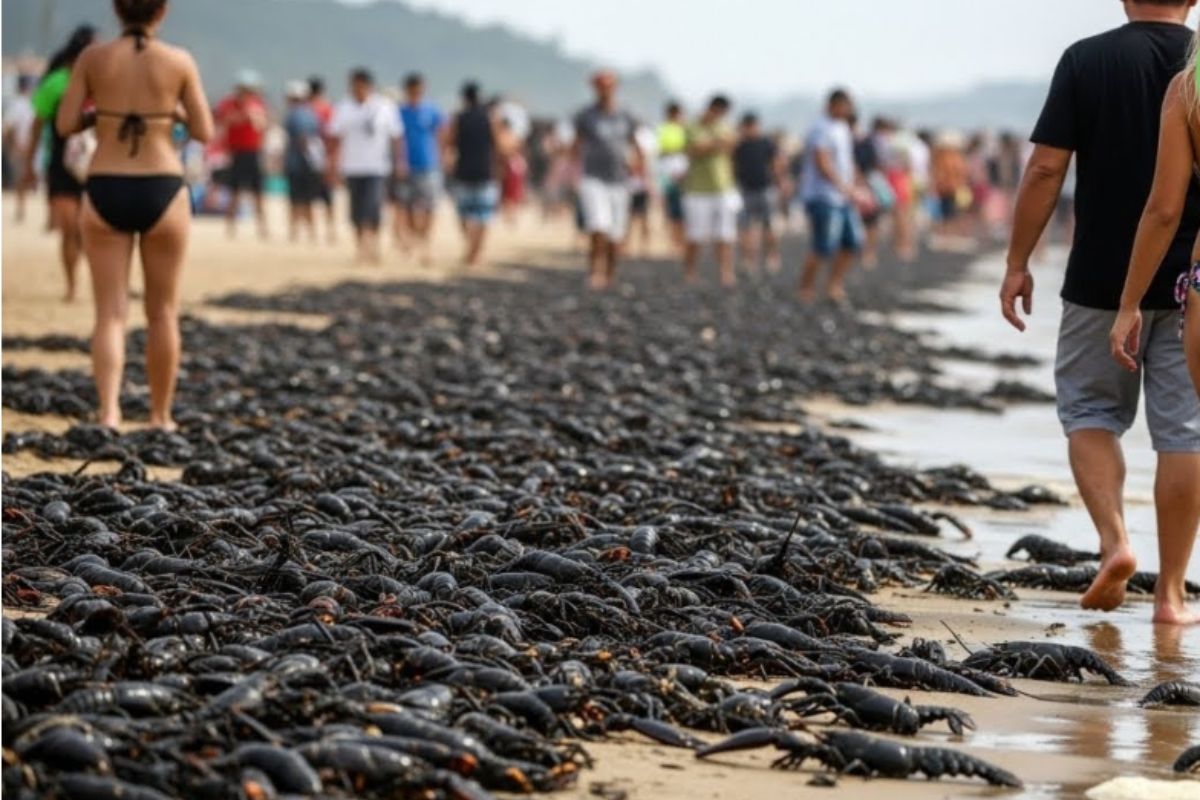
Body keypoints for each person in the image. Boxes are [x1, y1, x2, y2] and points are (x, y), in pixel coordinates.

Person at [1003, 0, 1200, 625]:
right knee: (1186, 431)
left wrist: (1017, 261)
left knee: (1090, 412)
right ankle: (1171, 593)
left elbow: (1044, 169)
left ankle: (1115, 541)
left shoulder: (1086, 60)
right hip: (1192, 284)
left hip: (1100, 276)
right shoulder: (1196, 68)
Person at [55, 0, 212, 430]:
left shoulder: (93, 57)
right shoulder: (179, 60)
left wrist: (102, 116)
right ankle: (160, 416)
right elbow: (204, 131)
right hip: (162, 186)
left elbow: (65, 122)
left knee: (110, 312)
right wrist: (170, 111)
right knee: (162, 312)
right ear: (162, 11)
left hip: (106, 183)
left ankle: (109, 411)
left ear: (117, 10)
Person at [26, 25, 96, 302]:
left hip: (94, 163)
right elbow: (36, 123)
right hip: (60, 163)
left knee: (86, 230)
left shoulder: (101, 81)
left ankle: (94, 284)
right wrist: (30, 163)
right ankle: (72, 286)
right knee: (70, 229)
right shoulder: (56, 83)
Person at [573, 71, 642, 290]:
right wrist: (571, 172)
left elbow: (636, 144)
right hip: (593, 178)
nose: (604, 90)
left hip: (619, 180)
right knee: (598, 225)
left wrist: (639, 166)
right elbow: (577, 145)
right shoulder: (586, 115)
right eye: (600, 86)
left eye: (608, 86)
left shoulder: (626, 114)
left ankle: (610, 274)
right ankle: (594, 272)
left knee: (615, 233)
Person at [327, 68, 403, 265]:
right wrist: (332, 164)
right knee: (356, 211)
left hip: (377, 167)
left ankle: (374, 245)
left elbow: (397, 137)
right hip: (352, 167)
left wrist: (400, 162)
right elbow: (334, 137)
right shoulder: (343, 107)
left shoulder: (384, 107)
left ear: (368, 86)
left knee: (374, 207)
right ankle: (361, 247)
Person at [798, 88, 863, 304]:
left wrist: (856, 184)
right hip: (823, 196)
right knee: (823, 245)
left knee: (851, 242)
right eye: (845, 105)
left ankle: (834, 286)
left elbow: (847, 161)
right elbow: (822, 162)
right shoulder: (821, 128)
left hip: (843, 197)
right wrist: (843, 186)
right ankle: (805, 288)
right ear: (833, 105)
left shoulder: (843, 127)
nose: (848, 110)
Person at [444, 81, 501, 266]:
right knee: (483, 215)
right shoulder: (490, 118)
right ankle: (476, 251)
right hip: (485, 170)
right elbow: (499, 145)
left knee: (464, 214)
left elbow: (449, 142)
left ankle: (471, 246)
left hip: (464, 171)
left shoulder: (459, 118)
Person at [396, 72, 445, 265]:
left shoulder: (432, 111)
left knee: (430, 206)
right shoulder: (399, 112)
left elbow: (442, 133)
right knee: (406, 207)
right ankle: (415, 238)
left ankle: (425, 241)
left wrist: (442, 155)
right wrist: (399, 161)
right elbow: (397, 139)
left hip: (429, 164)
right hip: (407, 166)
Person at [215, 71, 269, 239]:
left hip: (253, 152)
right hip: (236, 152)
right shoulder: (228, 104)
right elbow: (223, 123)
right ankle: (230, 227)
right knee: (235, 191)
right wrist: (242, 116)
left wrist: (254, 117)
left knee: (258, 192)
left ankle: (262, 227)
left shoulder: (258, 104)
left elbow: (262, 126)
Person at [733, 112, 781, 272]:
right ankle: (748, 260)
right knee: (744, 227)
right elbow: (733, 165)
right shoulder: (739, 145)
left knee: (769, 226)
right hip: (745, 190)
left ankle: (772, 257)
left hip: (765, 188)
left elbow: (775, 164)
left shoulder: (766, 143)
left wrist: (780, 182)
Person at [282, 80, 322, 244]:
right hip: (311, 164)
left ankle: (295, 232)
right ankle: (312, 232)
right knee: (309, 199)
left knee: (296, 199)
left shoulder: (294, 115)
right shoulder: (312, 114)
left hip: (297, 163)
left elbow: (302, 138)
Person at [5, 74, 38, 223]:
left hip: (23, 146)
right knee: (24, 178)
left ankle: (21, 209)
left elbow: (7, 128)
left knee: (21, 179)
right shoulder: (32, 103)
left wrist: (11, 146)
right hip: (30, 146)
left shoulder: (17, 104)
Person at [308, 76, 337, 243]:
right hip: (324, 156)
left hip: (310, 158)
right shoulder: (327, 109)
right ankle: (330, 230)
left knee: (310, 197)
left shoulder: (307, 109)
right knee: (327, 198)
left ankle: (314, 232)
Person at [657, 101, 688, 251]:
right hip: (667, 176)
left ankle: (681, 241)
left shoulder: (686, 129)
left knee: (683, 212)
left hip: (684, 175)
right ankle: (674, 242)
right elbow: (660, 151)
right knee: (672, 212)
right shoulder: (662, 129)